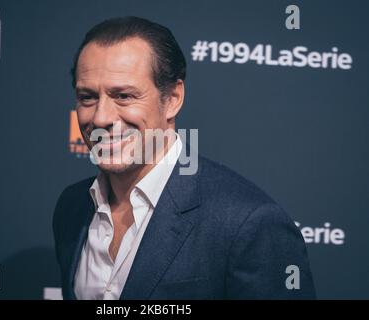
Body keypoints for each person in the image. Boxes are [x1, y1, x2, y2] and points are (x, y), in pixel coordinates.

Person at [53, 16, 316, 299]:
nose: (101, 117)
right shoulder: (72, 207)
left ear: (173, 98)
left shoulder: (247, 224)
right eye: (87, 97)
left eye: (124, 96)